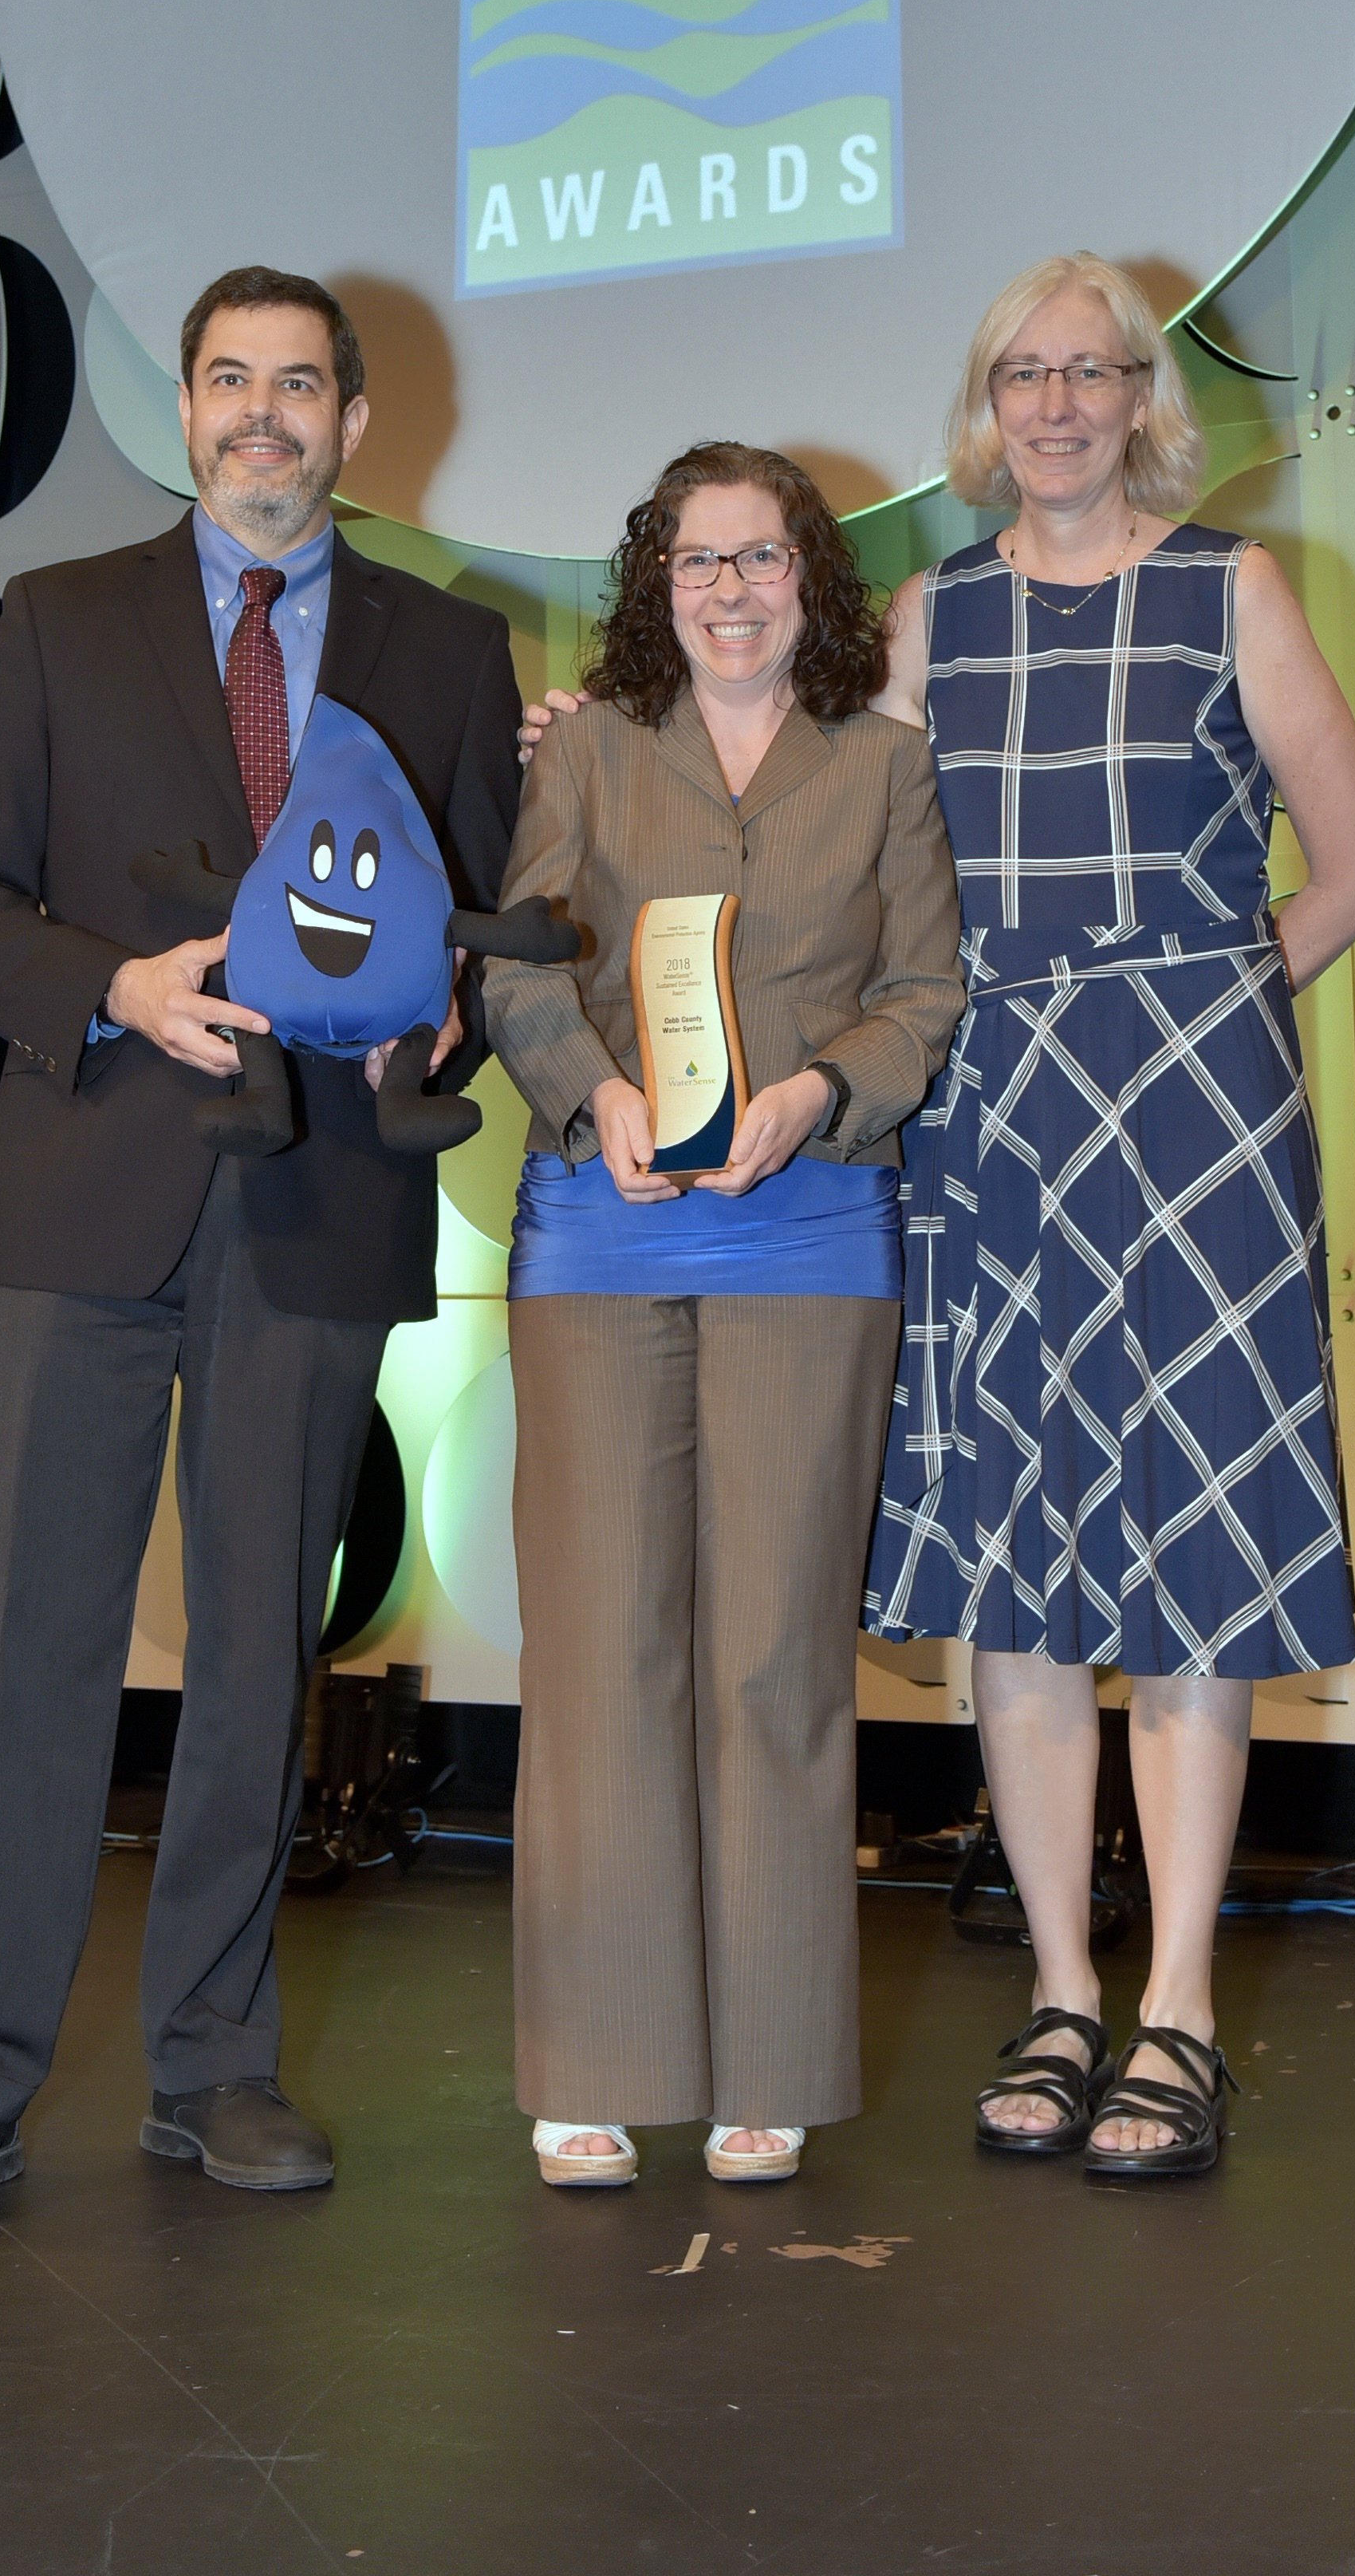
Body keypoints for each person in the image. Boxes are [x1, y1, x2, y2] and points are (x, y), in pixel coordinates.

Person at [0, 266, 522, 2230]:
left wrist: (439, 1019)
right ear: (185, 406)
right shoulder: (60, 624)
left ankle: (215, 2066)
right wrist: (113, 987)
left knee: (254, 1653)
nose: (262, 417)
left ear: (355, 421)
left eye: (298, 385)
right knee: (33, 1652)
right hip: (90, 1192)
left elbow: (466, 928)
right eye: (229, 380)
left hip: (314, 1209)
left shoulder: (452, 651)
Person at [863, 253, 1355, 2177]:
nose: (1061, 404)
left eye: (1094, 373)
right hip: (991, 1117)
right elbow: (840, 840)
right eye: (1027, 373)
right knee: (1015, 1565)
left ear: (1144, 399)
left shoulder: (1229, 588)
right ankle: (1059, 1994)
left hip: (1192, 1128)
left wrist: (1205, 1002)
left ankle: (1173, 2008)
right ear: (987, 406)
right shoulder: (927, 617)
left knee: (1187, 1549)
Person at [483, 443, 962, 2191]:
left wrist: (821, 1095)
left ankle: (770, 2055)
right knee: (604, 1652)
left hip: (811, 1231)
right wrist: (591, 1095)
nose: (731, 591)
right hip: (599, 1233)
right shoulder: (592, 751)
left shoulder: (886, 767)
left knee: (770, 1661)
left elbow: (927, 994)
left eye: (761, 561)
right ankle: (595, 2063)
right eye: (698, 563)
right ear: (655, 583)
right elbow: (520, 962)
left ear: (809, 583)